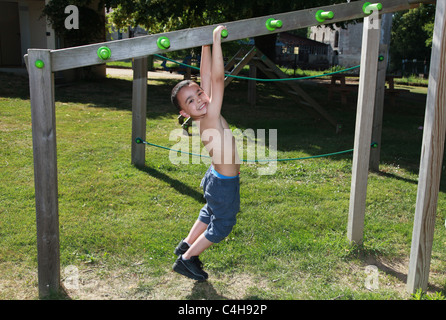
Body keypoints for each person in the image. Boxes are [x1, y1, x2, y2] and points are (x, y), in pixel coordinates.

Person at [170, 25, 240, 281]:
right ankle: (187, 259)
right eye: (190, 100)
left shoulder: (203, 112)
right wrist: (216, 41)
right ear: (184, 114)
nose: (199, 98)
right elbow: (218, 79)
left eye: (198, 92)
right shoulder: (208, 115)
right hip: (223, 183)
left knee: (210, 212)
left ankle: (187, 243)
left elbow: (207, 75)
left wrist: (205, 46)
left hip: (216, 176)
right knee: (222, 224)